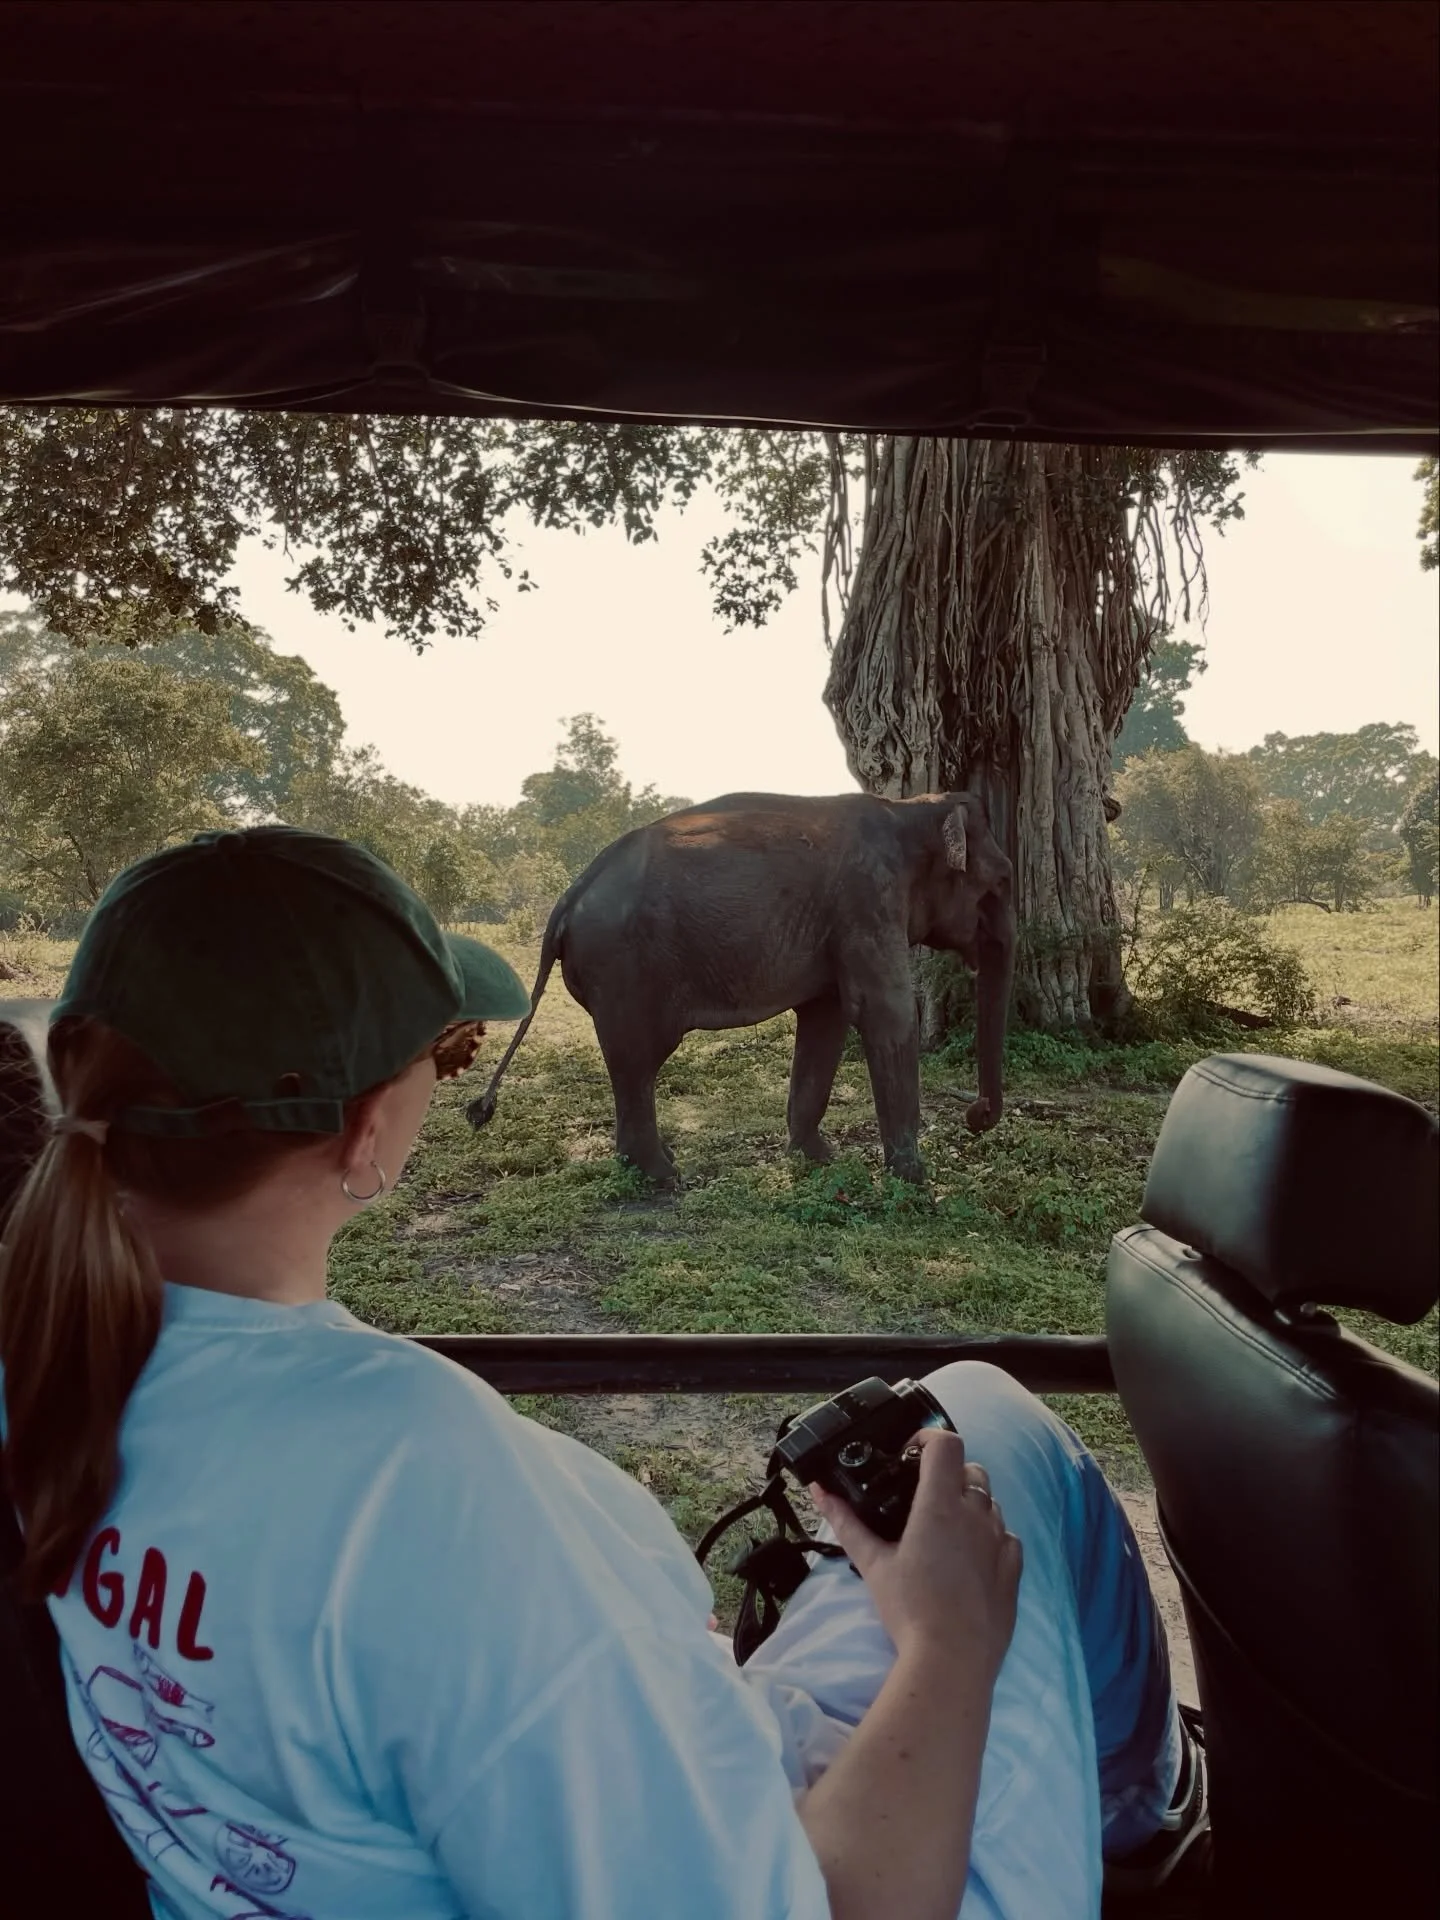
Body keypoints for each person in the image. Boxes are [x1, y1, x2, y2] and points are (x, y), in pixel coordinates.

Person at [0, 827, 1187, 1920]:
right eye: (452, 1053)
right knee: (1002, 1433)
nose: (454, 1068)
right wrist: (948, 1641)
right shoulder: (435, 1487)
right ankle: (1147, 1818)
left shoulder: (48, 1359)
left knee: (968, 1404)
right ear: (364, 1132)